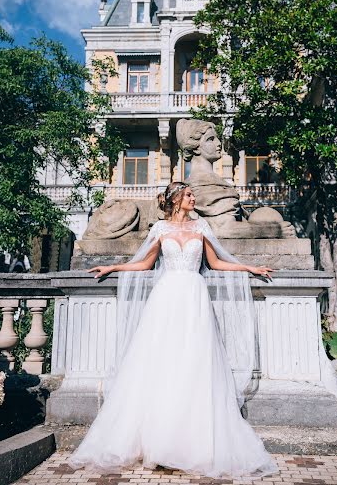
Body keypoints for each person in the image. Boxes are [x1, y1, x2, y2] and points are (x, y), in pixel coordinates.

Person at [68, 182, 279, 479]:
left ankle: (190, 443)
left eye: (193, 194)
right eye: (189, 195)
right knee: (161, 363)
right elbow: (144, 264)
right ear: (177, 200)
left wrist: (250, 268)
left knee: (194, 363)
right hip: (166, 299)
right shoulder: (160, 230)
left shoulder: (201, 227)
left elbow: (217, 262)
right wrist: (113, 267)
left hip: (194, 297)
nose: (194, 198)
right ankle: (156, 439)